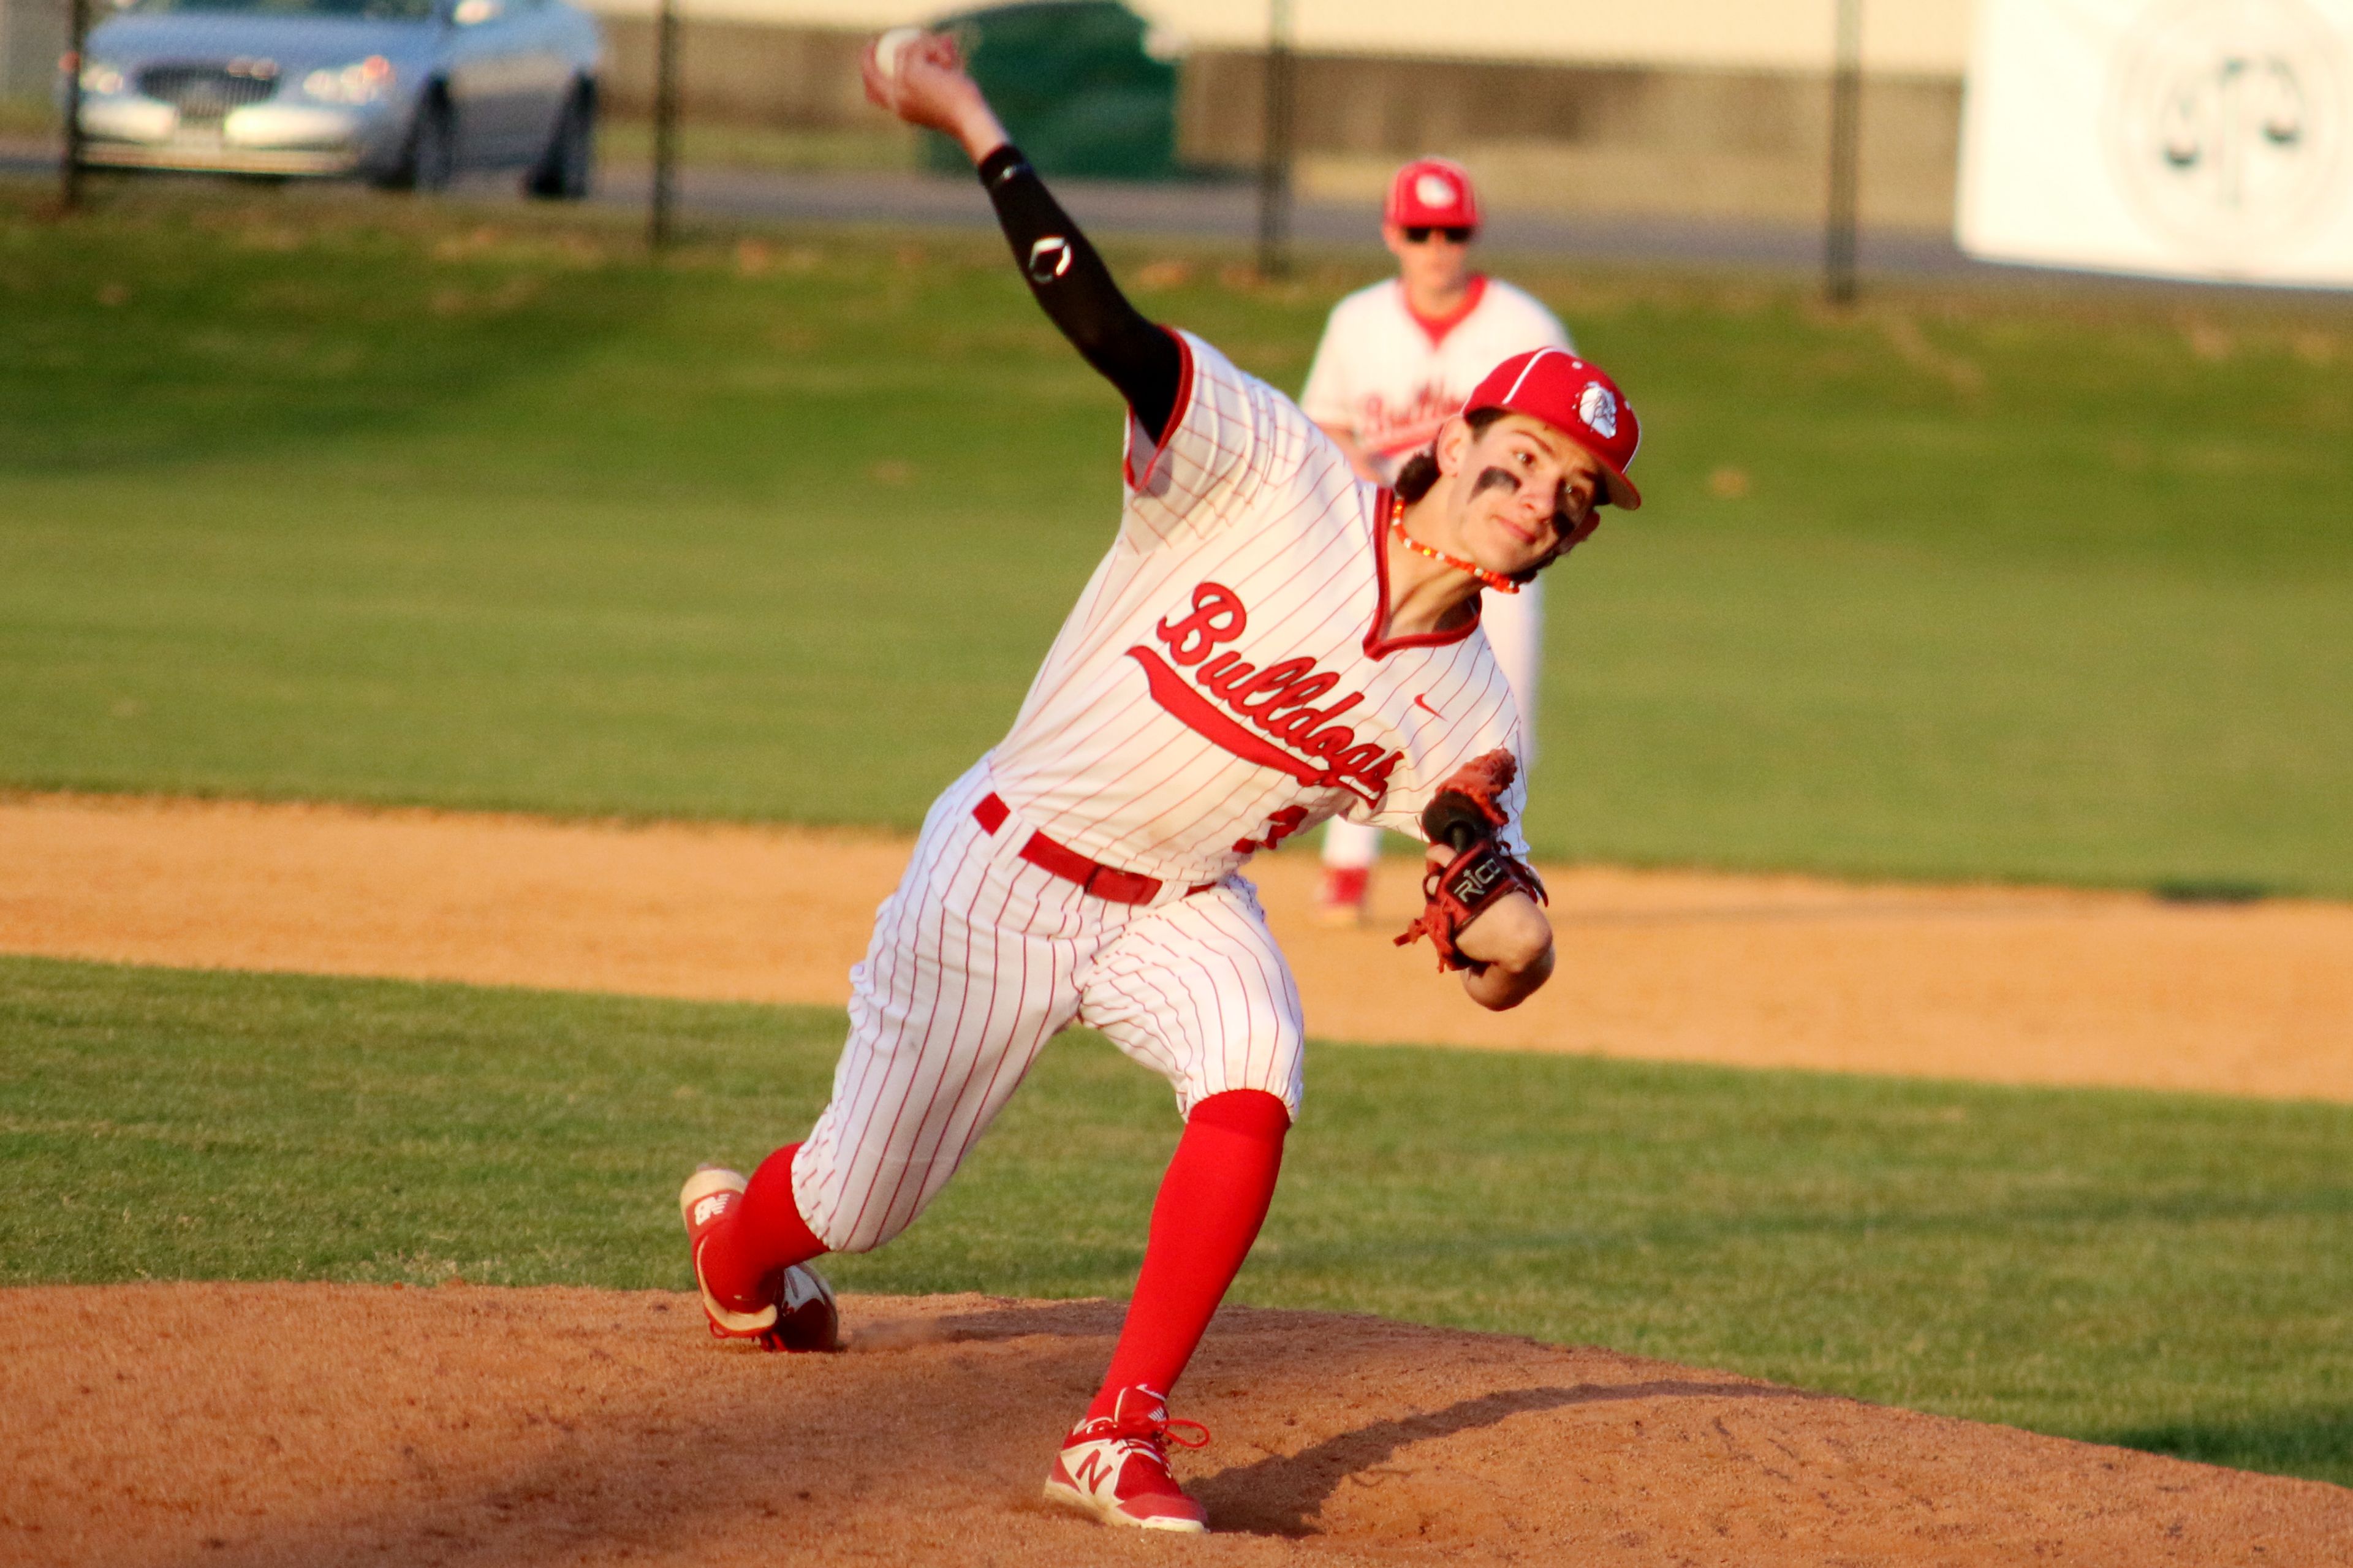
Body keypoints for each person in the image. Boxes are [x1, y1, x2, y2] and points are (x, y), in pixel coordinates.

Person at [675, 33, 1643, 1536]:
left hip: (1178, 903)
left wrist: (1507, 934)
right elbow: (1106, 325)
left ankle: (1113, 1431)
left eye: (1570, 502)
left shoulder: (1465, 701)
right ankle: (737, 1242)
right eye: (1519, 463)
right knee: (861, 1202)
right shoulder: (1268, 467)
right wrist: (969, 116)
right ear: (1448, 438)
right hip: (1004, 865)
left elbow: (1493, 908)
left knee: (1256, 1056)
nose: (1537, 506)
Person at [1297, 159, 1577, 925]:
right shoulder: (1358, 321)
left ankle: (1494, 871)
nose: (1434, 246)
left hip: (1499, 567)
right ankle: (1347, 873)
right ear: (1394, 233)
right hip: (1392, 556)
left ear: (1470, 234)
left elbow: (1569, 445)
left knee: (1502, 725)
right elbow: (1328, 422)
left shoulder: (1524, 327)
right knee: (1359, 705)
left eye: (1450, 231)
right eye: (1419, 231)